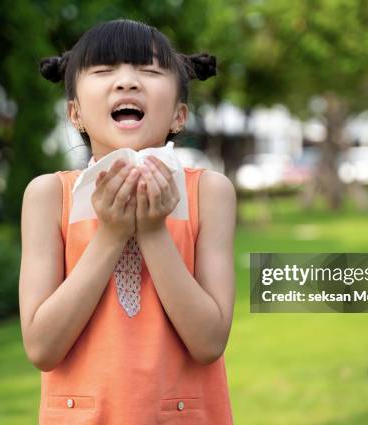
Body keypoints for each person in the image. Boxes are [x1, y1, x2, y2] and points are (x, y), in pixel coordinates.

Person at [18, 18, 236, 424]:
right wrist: (111, 235)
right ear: (75, 114)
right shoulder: (49, 196)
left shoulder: (210, 193)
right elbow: (41, 348)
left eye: (149, 72)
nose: (127, 82)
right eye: (104, 71)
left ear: (179, 115)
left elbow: (208, 341)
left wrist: (153, 231)